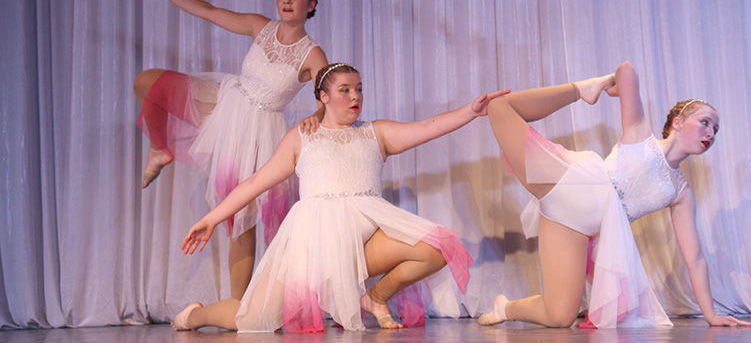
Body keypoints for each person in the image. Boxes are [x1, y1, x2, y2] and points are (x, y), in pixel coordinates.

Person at [171, 63, 508, 332]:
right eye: (344, 90)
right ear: (324, 97)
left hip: (363, 240)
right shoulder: (302, 137)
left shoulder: (375, 133)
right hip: (312, 247)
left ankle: (374, 298)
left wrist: (471, 110)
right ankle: (193, 316)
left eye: (358, 89)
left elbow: (428, 127)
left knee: (436, 247)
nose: (354, 96)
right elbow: (255, 182)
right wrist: (211, 219)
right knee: (253, 321)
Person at [477, 62, 751, 328]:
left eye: (715, 130)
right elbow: (627, 70)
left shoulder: (680, 193)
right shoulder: (641, 135)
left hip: (577, 225)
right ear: (678, 122)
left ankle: (505, 309)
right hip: (575, 184)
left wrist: (711, 315)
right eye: (705, 122)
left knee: (560, 317)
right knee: (499, 107)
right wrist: (609, 84)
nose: (710, 133)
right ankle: (581, 89)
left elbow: (696, 259)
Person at [129, 0, 328, 300]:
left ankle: (237, 305)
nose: (287, 0)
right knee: (147, 81)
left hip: (259, 134)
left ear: (311, 5)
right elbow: (208, 11)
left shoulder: (312, 54)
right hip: (226, 103)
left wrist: (317, 115)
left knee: (241, 219)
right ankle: (159, 148)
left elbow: (327, 96)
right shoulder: (259, 26)